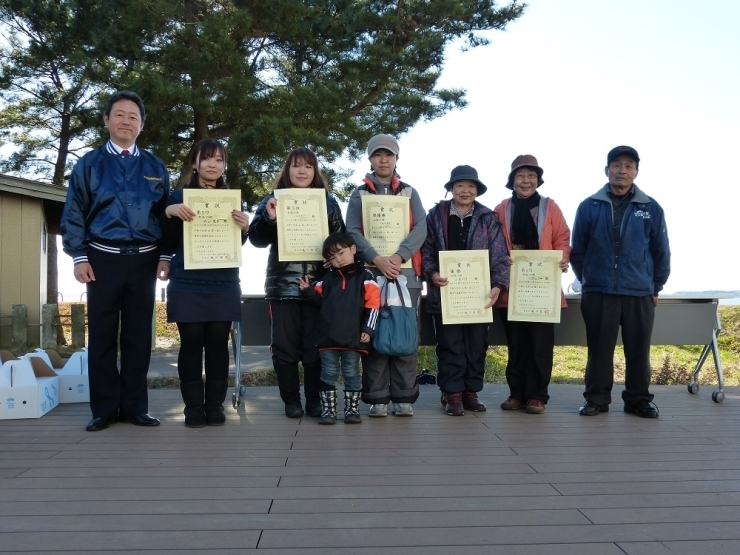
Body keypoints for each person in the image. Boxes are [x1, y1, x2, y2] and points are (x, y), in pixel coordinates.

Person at [60, 90, 170, 432]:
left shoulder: (155, 166)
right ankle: (104, 409)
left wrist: (165, 255)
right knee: (104, 335)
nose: (126, 121)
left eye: (133, 116)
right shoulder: (89, 163)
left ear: (141, 125)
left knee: (138, 336)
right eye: (119, 114)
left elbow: (166, 215)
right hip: (101, 260)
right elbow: (74, 211)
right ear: (107, 120)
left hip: (144, 261)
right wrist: (79, 256)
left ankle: (136, 407)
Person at [571, 146, 670, 418]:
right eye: (616, 165)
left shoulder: (651, 208)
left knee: (638, 351)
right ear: (607, 170)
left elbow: (661, 251)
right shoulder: (589, 205)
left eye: (628, 166)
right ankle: (596, 399)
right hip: (599, 291)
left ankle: (638, 400)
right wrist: (589, 280)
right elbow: (577, 250)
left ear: (636, 172)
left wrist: (655, 286)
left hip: (639, 292)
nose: (622, 170)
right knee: (599, 350)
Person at [248, 148, 345, 418]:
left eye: (308, 166)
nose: (302, 171)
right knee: (284, 349)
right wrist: (270, 218)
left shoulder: (328, 202)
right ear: (286, 170)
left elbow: (341, 242)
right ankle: (291, 401)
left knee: (315, 349)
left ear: (315, 172)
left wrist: (333, 262)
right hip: (282, 287)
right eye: (296, 166)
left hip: (318, 287)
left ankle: (314, 400)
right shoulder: (272, 201)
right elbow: (256, 239)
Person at [159, 139, 250, 427]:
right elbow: (164, 237)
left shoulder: (231, 198)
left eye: (219, 160)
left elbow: (238, 242)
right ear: (195, 163)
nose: (213, 164)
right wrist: (169, 212)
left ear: (224, 166)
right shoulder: (179, 195)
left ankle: (215, 406)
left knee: (218, 345)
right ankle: (193, 408)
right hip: (187, 280)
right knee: (191, 344)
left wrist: (245, 227)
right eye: (207, 158)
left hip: (223, 280)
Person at [346, 134, 427, 417]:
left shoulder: (409, 192)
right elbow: (352, 230)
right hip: (371, 272)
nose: (383, 159)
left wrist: (398, 256)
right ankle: (378, 397)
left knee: (405, 334)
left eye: (389, 155)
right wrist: (377, 259)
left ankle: (404, 397)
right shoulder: (360, 194)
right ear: (370, 159)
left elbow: (421, 228)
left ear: (396, 159)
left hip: (405, 273)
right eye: (378, 155)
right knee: (374, 333)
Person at [422, 165, 509, 416]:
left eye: (471, 186)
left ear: (477, 190)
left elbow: (500, 255)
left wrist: (498, 285)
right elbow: (427, 251)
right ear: (451, 188)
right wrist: (433, 274)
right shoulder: (435, 215)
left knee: (476, 344)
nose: (465, 190)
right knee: (449, 343)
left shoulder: (487, 217)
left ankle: (471, 391)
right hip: (447, 293)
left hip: (478, 294)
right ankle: (453, 393)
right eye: (460, 185)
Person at [493, 155, 571, 414]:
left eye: (531, 176)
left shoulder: (551, 207)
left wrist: (562, 258)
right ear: (512, 180)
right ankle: (516, 394)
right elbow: (493, 242)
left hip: (542, 287)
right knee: (516, 344)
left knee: (539, 344)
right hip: (512, 287)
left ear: (538, 180)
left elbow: (562, 238)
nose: (525, 181)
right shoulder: (502, 209)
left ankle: (537, 396)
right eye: (520, 176)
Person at [298, 233, 381, 425]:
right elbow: (317, 302)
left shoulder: (366, 276)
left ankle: (352, 411)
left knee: (352, 372)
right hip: (328, 338)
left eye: (341, 253)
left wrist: (368, 330)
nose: (338, 260)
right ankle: (328, 411)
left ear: (353, 249)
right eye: (332, 258)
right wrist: (307, 291)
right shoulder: (326, 279)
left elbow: (373, 305)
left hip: (354, 339)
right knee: (328, 373)